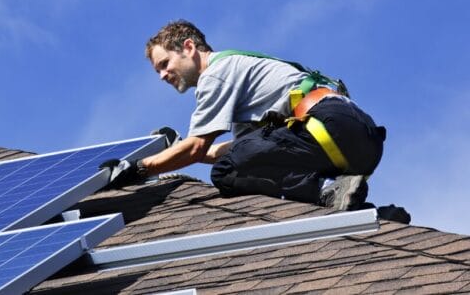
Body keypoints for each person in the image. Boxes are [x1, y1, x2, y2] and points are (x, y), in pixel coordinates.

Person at [100, 20, 386, 211]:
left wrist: (138, 168)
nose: (162, 75)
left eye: (165, 63)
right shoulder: (239, 75)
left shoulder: (216, 75)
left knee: (227, 173)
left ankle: (325, 191)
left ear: (188, 47)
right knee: (235, 160)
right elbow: (237, 149)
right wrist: (180, 152)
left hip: (329, 129)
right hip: (359, 140)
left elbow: (199, 147)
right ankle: (359, 209)